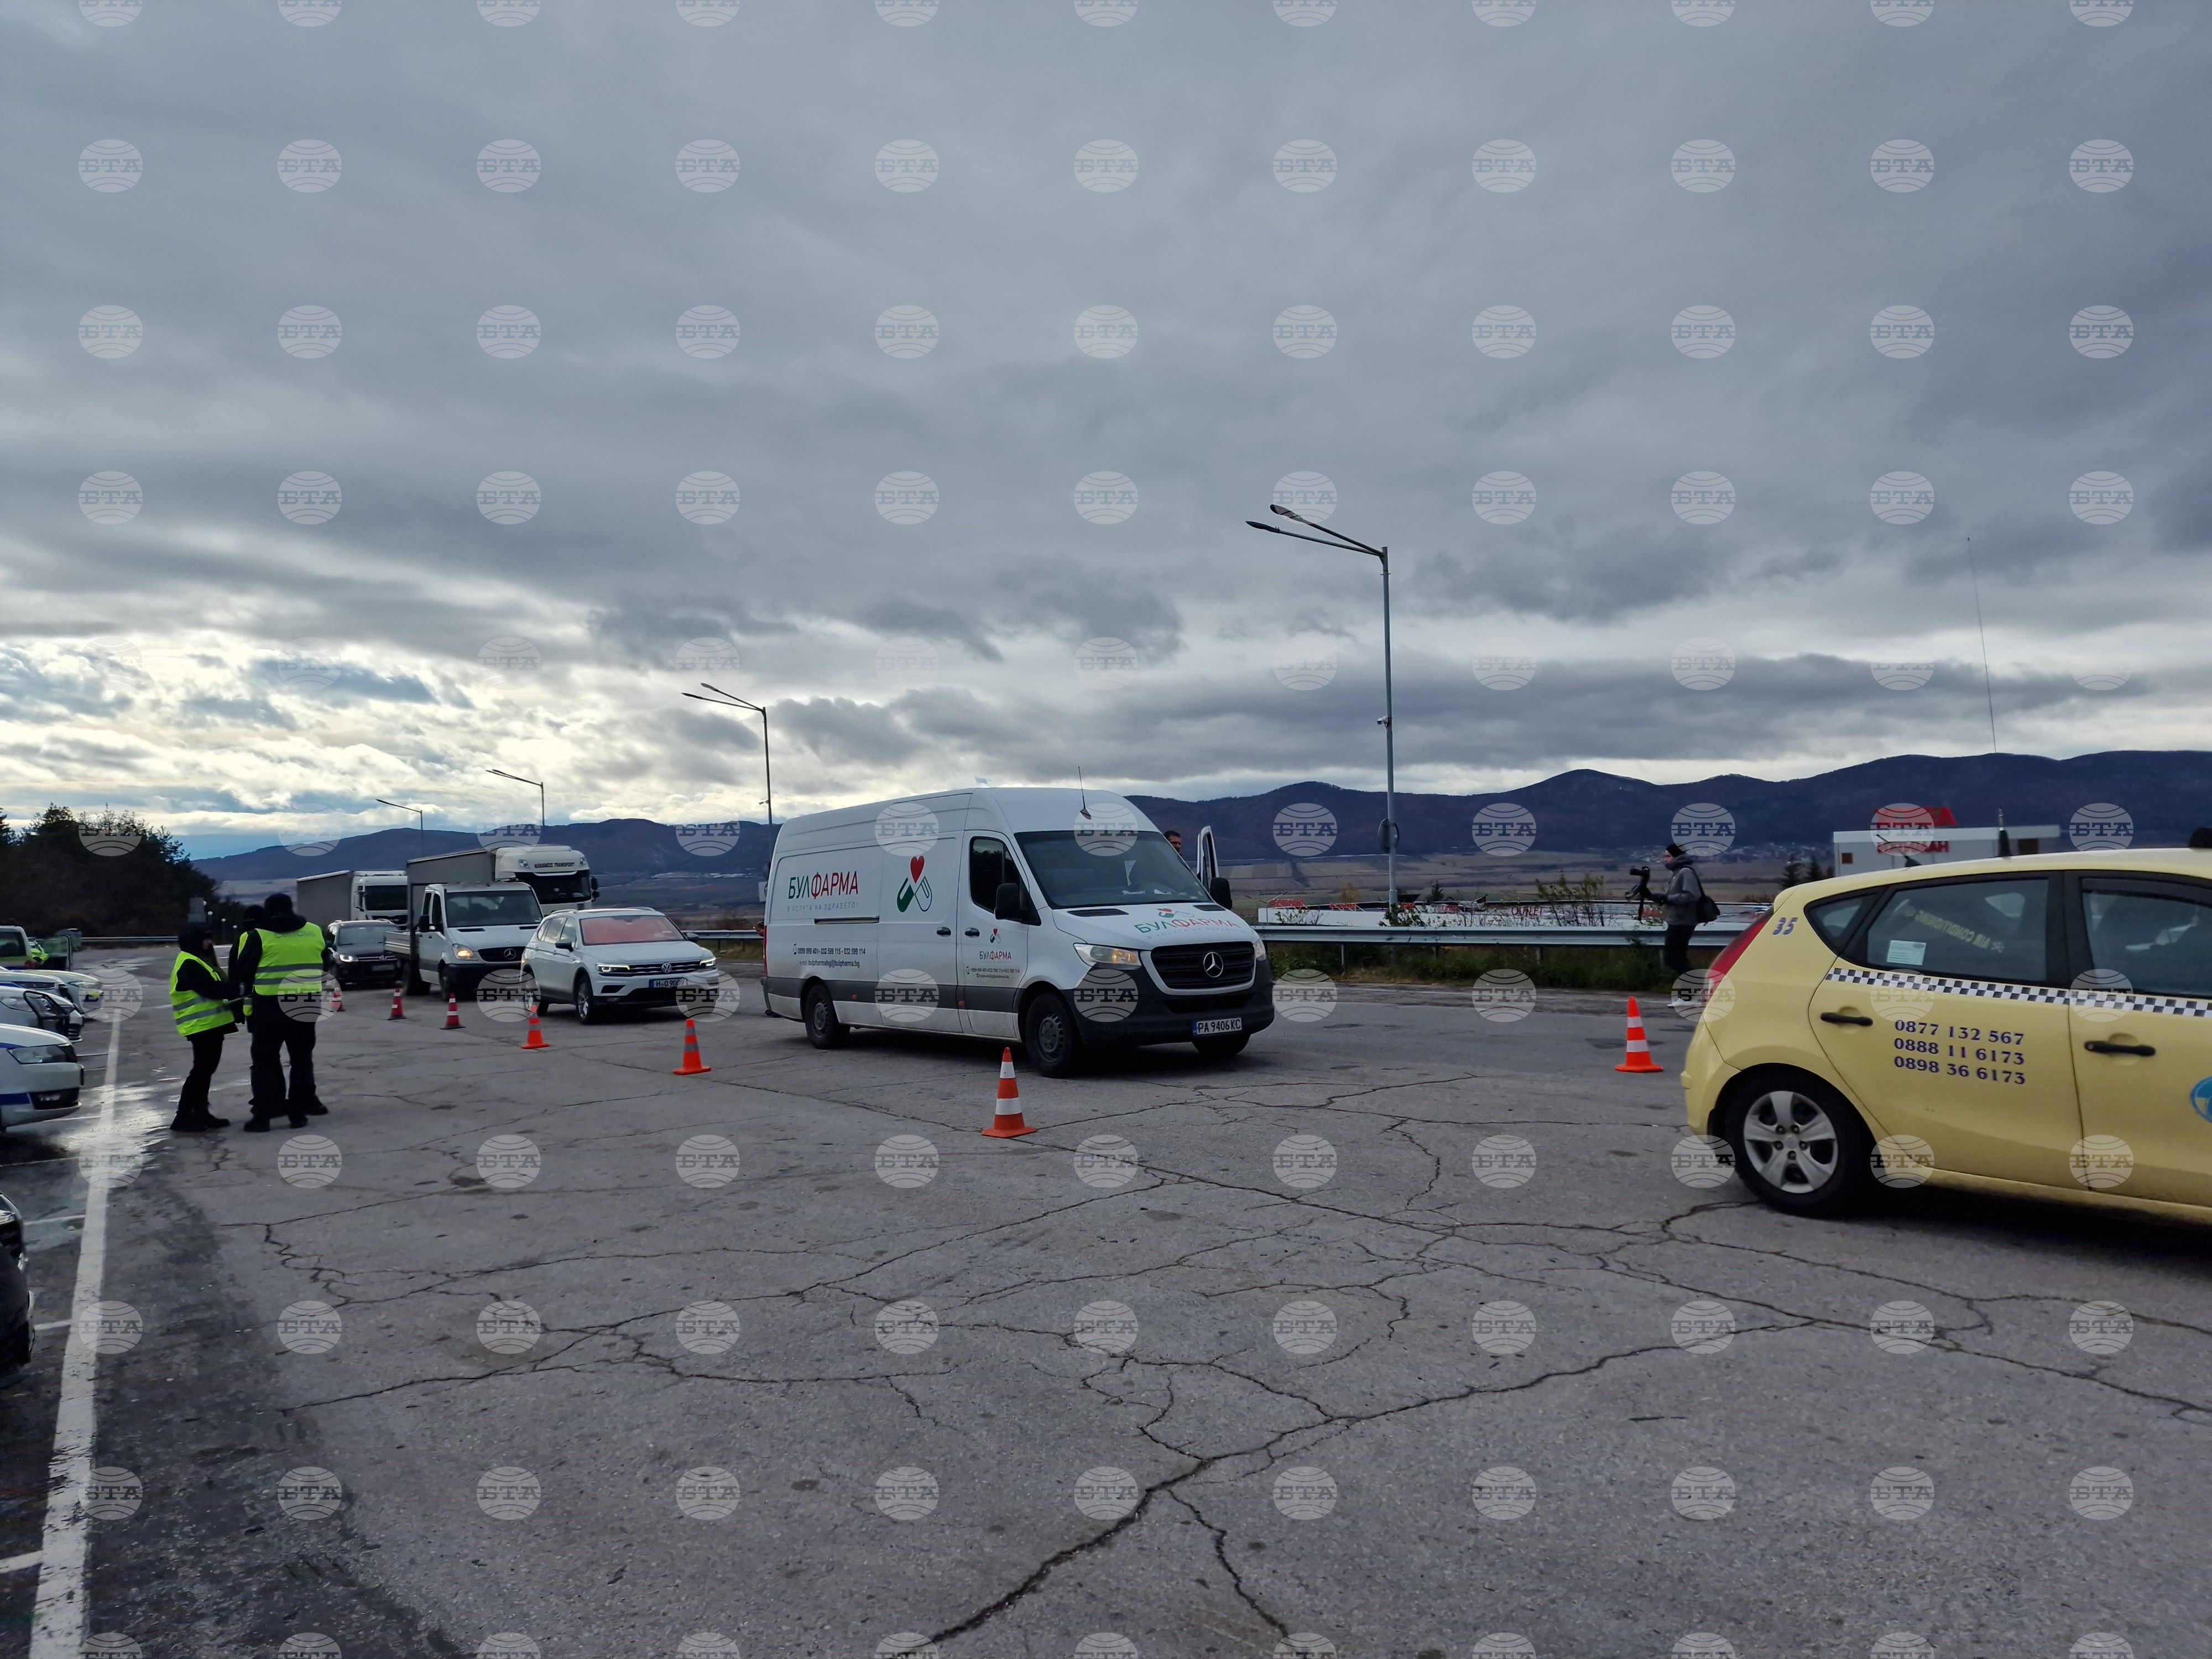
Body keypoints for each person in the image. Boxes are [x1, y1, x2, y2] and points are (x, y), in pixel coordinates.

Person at [229, 893, 332, 1132]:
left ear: (269, 911)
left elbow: (243, 973)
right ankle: (298, 1115)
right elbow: (325, 964)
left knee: (265, 1062)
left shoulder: (259, 935)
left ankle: (263, 1117)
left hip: (269, 1006)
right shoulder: (314, 931)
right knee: (301, 1061)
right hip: (305, 1002)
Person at [167, 922, 237, 1132]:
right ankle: (183, 1117)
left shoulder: (197, 960)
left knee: (205, 1071)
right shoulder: (189, 963)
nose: (210, 943)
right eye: (206, 939)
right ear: (195, 941)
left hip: (209, 1026)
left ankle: (200, 1113)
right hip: (201, 1026)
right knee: (201, 1071)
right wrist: (239, 989)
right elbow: (212, 990)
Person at [1661, 842, 1705, 976]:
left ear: (1677, 856)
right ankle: (1689, 987)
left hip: (1683, 922)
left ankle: (1699, 982)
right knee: (1679, 959)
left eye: (1668, 856)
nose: (1665, 860)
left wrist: (1668, 898)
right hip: (1677, 920)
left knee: (1672, 959)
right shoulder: (1677, 872)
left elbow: (1692, 896)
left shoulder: (1685, 872)